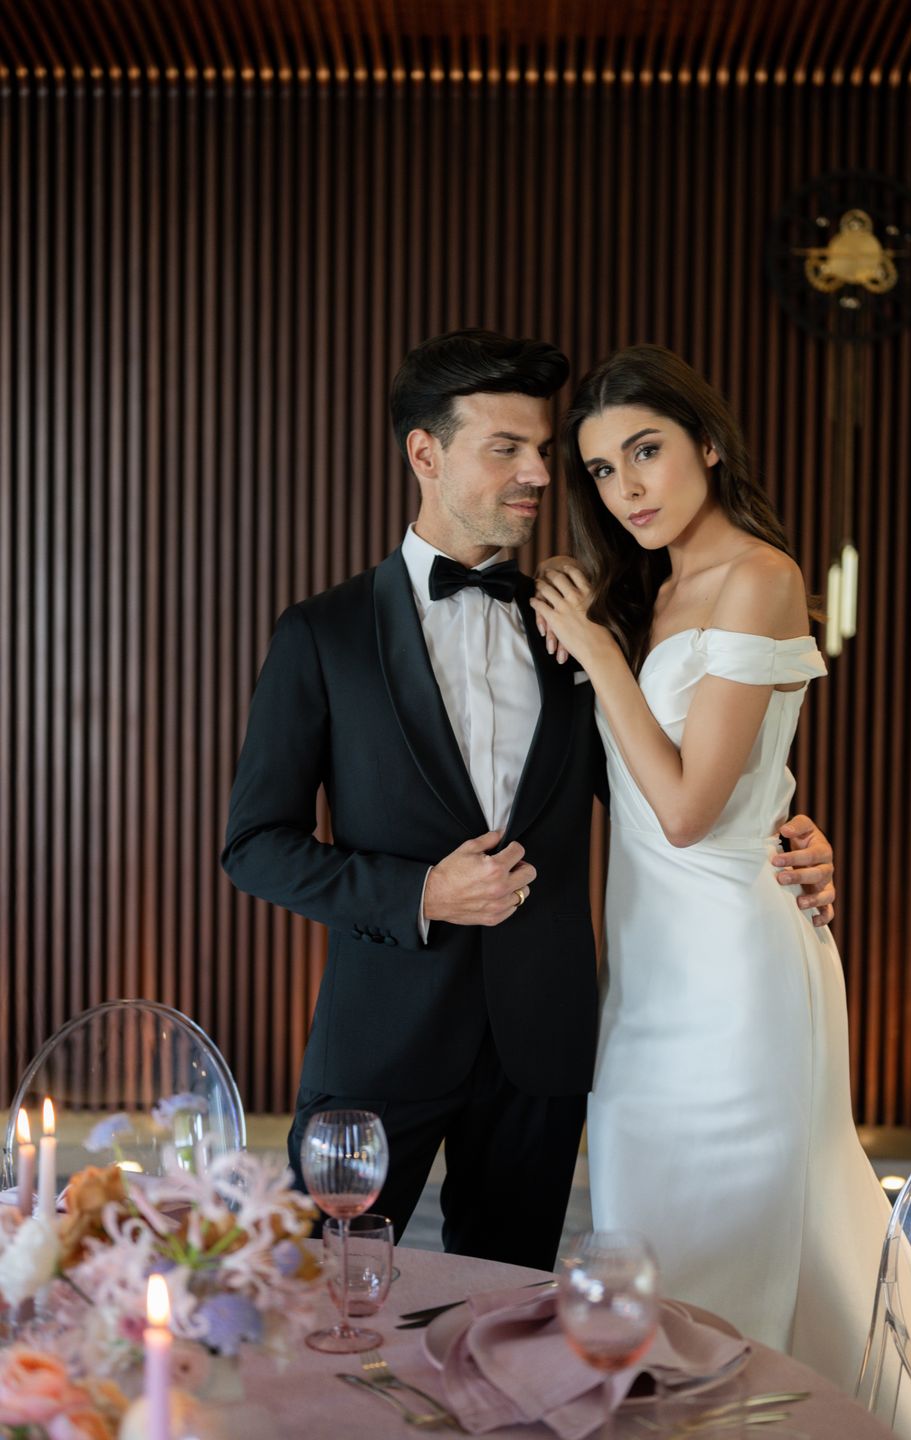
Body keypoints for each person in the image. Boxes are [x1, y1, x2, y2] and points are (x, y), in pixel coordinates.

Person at [221, 329, 836, 1272]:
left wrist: (788, 830)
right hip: (379, 1046)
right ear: (426, 455)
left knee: (507, 1337)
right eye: (505, 449)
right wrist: (421, 892)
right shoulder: (323, 635)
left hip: (542, 1054)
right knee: (315, 1310)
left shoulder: (585, 630)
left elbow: (660, 784)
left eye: (545, 451)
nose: (539, 475)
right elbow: (256, 845)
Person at [530, 343, 893, 1388]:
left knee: (751, 1253)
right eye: (601, 469)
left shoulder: (762, 577)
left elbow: (688, 810)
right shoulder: (644, 589)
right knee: (655, 1247)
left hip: (739, 977)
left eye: (646, 450)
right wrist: (598, 621)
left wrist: (597, 652)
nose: (626, 486)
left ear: (711, 445)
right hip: (645, 978)